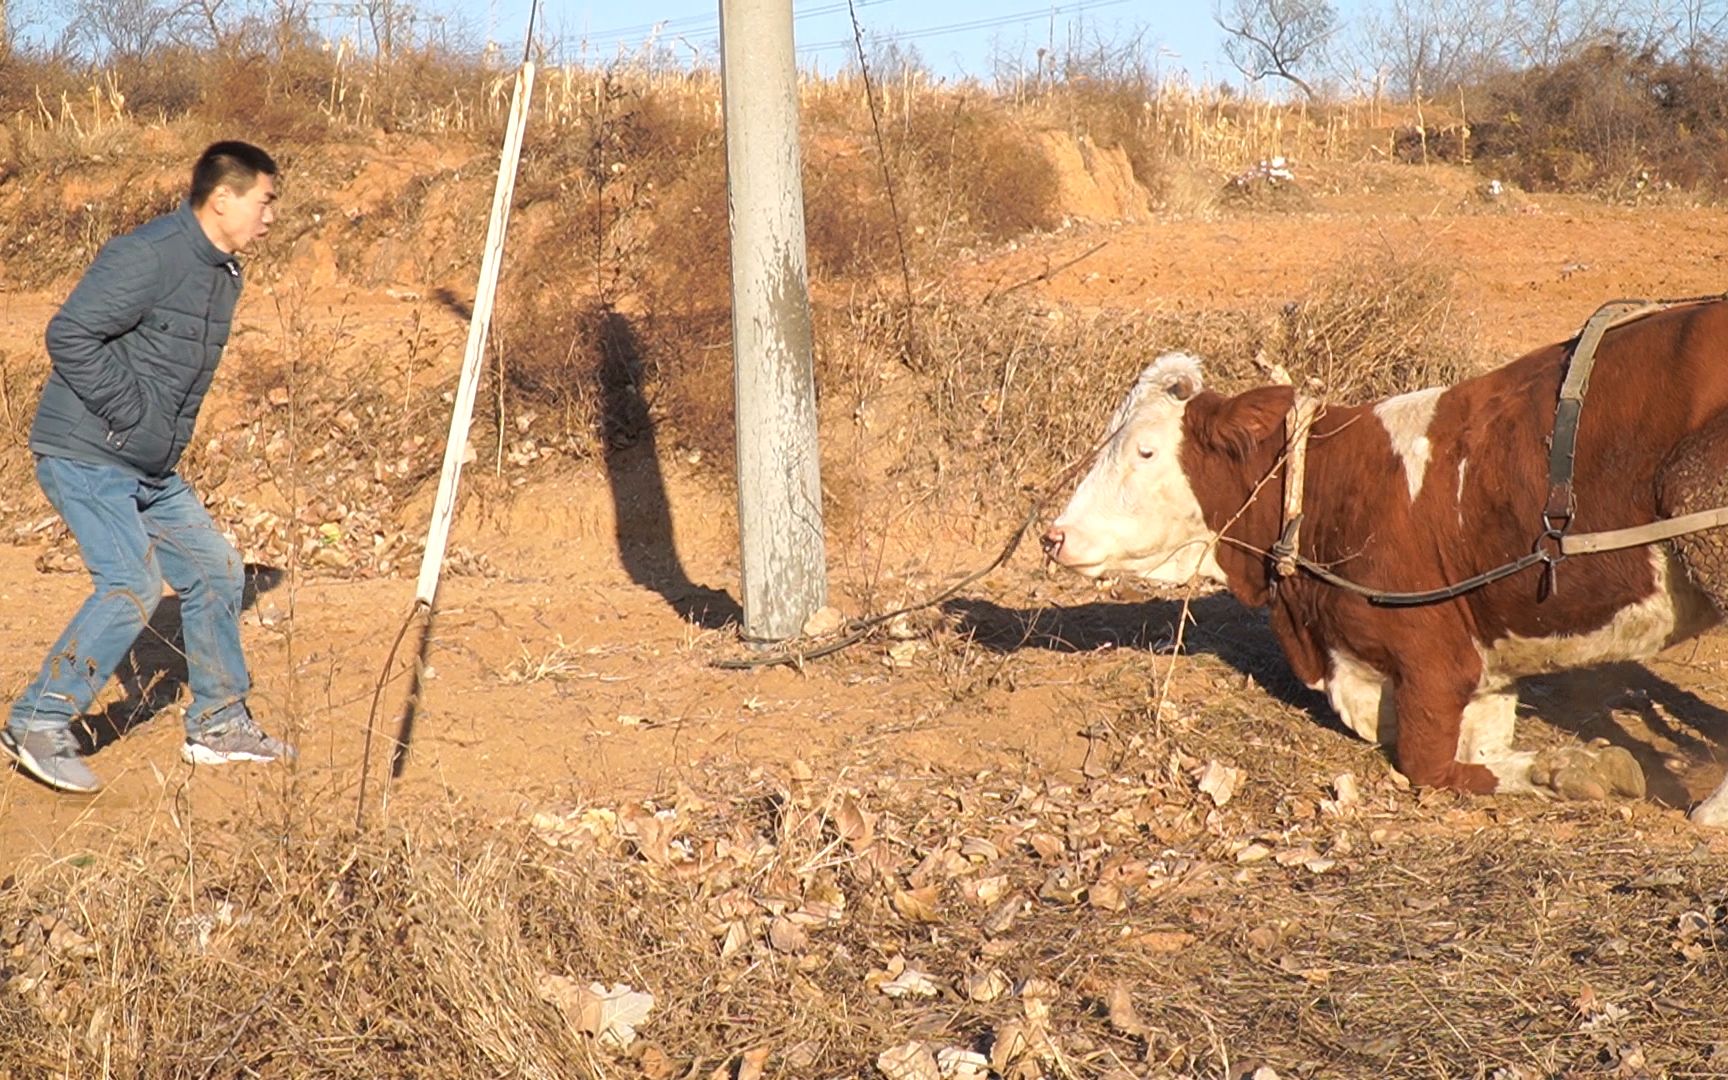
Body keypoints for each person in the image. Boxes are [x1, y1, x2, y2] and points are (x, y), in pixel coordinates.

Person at [1, 140, 296, 794]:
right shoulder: (149, 254)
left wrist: (150, 437)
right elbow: (69, 335)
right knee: (132, 582)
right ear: (224, 198)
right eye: (265, 201)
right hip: (86, 452)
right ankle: (39, 719)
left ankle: (218, 722)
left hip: (146, 465)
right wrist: (132, 413)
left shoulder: (222, 270)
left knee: (217, 570)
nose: (271, 216)